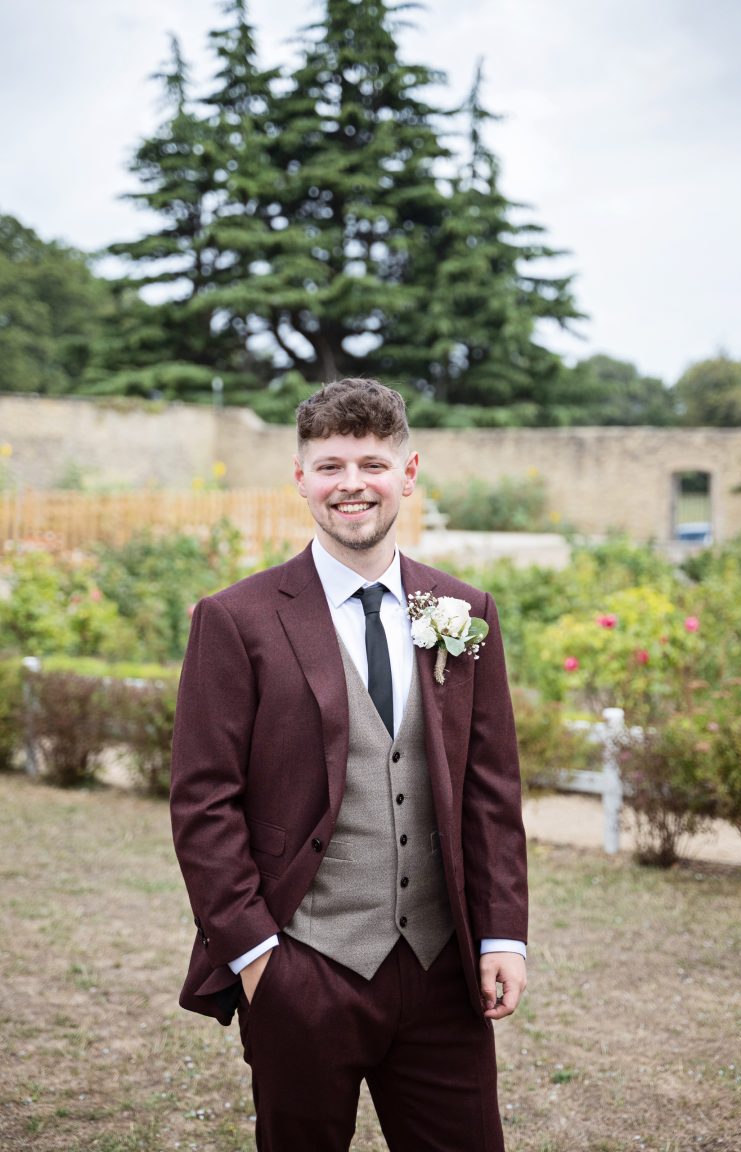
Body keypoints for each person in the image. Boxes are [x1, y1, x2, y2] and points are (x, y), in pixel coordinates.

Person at [170, 378, 528, 1152]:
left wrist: (502, 936)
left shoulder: (465, 611)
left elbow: (491, 791)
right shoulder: (236, 619)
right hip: (303, 967)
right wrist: (257, 957)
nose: (352, 485)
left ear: (409, 471)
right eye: (330, 466)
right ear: (300, 479)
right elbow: (203, 803)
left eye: (371, 463)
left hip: (443, 971)